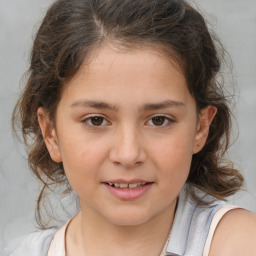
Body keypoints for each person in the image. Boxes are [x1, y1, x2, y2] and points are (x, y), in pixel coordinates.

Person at [9, 0, 256, 255]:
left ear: (200, 128)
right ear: (51, 133)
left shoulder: (241, 244)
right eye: (96, 120)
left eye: (159, 120)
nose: (128, 154)